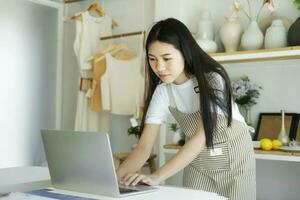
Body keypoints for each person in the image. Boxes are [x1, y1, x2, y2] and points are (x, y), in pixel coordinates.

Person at [116, 18, 256, 200]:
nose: (159, 67)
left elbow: (201, 137)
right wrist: (112, 181)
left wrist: (156, 176)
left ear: (184, 52)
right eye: (152, 59)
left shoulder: (212, 79)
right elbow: (143, 148)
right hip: (197, 163)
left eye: (166, 58)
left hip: (235, 162)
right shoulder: (163, 91)